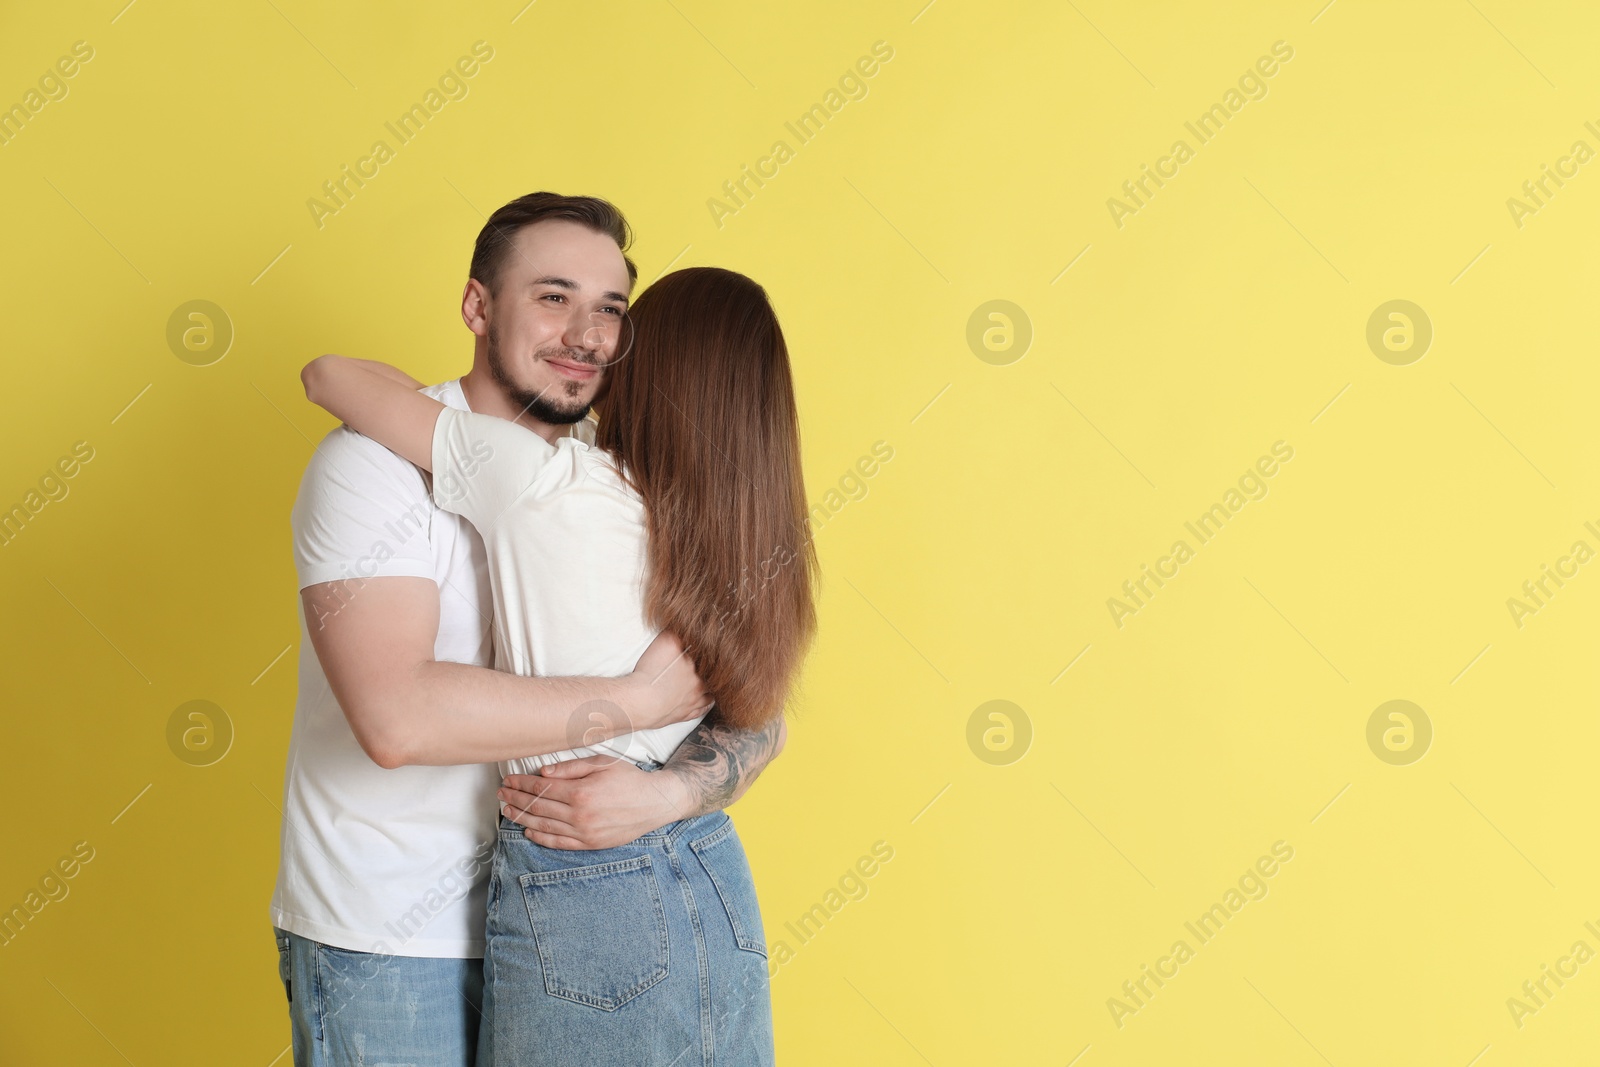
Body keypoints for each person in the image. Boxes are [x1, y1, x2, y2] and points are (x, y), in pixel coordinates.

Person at [273, 192, 789, 1067]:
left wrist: (666, 794)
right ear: (479, 307)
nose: (587, 335)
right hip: (395, 937)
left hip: (586, 904)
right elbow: (396, 720)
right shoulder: (369, 468)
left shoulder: (630, 476)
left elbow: (753, 705)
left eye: (612, 310)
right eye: (554, 297)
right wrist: (632, 702)